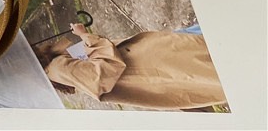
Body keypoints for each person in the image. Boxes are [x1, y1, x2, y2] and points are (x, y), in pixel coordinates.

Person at [35, 23, 227, 110]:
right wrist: (85, 35)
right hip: (159, 65)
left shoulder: (54, 64)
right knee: (221, 55)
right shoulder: (56, 69)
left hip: (160, 58)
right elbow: (103, 74)